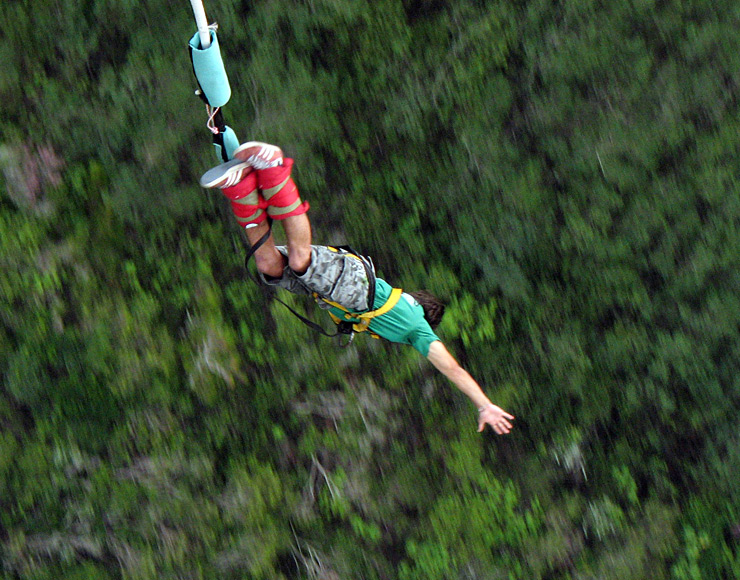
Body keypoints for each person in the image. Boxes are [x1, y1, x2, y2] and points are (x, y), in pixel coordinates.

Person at [200, 142, 514, 435]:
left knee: (268, 265)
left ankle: (242, 189)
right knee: (300, 260)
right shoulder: (417, 328)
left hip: (336, 293)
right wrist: (483, 404)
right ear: (426, 315)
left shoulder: (396, 315)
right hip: (355, 286)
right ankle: (274, 169)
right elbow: (454, 370)